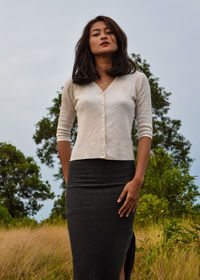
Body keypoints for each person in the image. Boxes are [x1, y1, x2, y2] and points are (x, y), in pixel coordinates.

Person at [56, 15, 152, 280]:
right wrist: (69, 179)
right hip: (81, 179)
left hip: (120, 179)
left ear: (118, 39)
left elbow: (145, 132)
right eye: (96, 33)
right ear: (87, 43)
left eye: (109, 32)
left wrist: (137, 180)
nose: (103, 36)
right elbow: (62, 134)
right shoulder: (74, 84)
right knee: (85, 262)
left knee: (116, 258)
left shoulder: (137, 80)